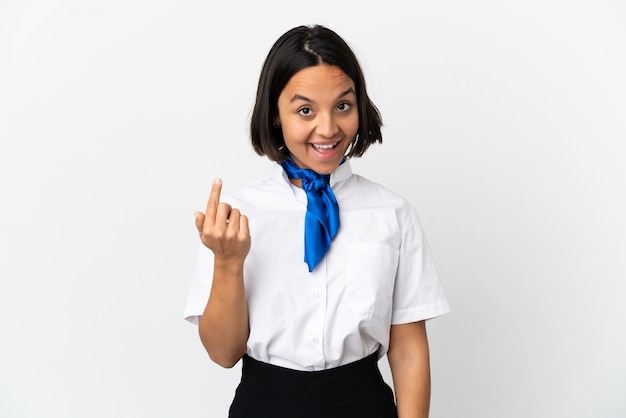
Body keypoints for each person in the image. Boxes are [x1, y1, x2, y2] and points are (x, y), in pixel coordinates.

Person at [184, 24, 450, 418]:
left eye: (343, 106)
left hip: (363, 403)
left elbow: (408, 348)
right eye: (305, 110)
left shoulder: (392, 214)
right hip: (265, 404)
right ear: (275, 114)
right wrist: (228, 261)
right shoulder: (237, 216)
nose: (327, 129)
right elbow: (223, 354)